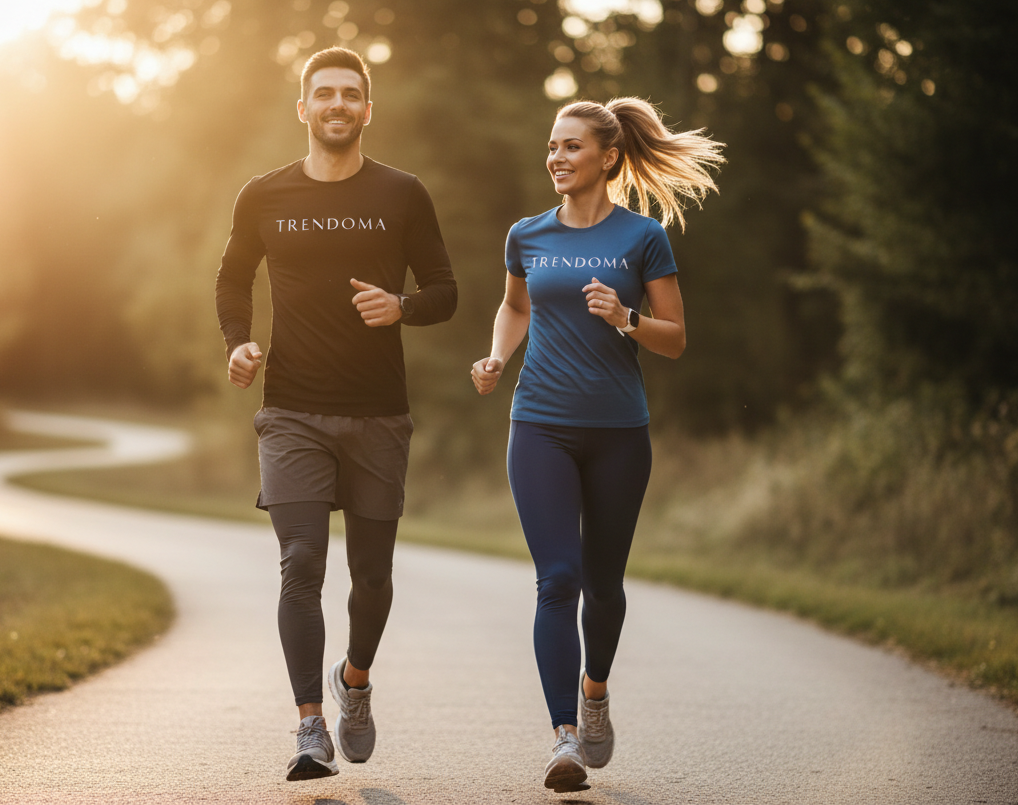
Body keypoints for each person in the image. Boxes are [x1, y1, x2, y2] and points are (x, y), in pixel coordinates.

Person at [216, 47, 457, 782]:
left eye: (351, 94)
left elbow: (445, 290)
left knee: (373, 574)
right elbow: (232, 277)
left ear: (367, 109)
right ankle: (308, 729)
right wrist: (240, 343)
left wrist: (402, 307)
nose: (337, 104)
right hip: (291, 410)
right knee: (300, 563)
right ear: (303, 108)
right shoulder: (264, 195)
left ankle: (353, 682)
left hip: (379, 413)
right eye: (324, 93)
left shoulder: (403, 193)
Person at [470, 98, 722, 793]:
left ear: (607, 157)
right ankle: (564, 738)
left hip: (618, 432)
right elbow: (516, 306)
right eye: (551, 146)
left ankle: (596, 689)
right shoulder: (528, 233)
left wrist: (626, 316)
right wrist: (496, 357)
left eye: (571, 146)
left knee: (605, 587)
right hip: (539, 425)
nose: (556, 157)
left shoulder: (643, 237)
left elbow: (674, 338)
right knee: (558, 579)